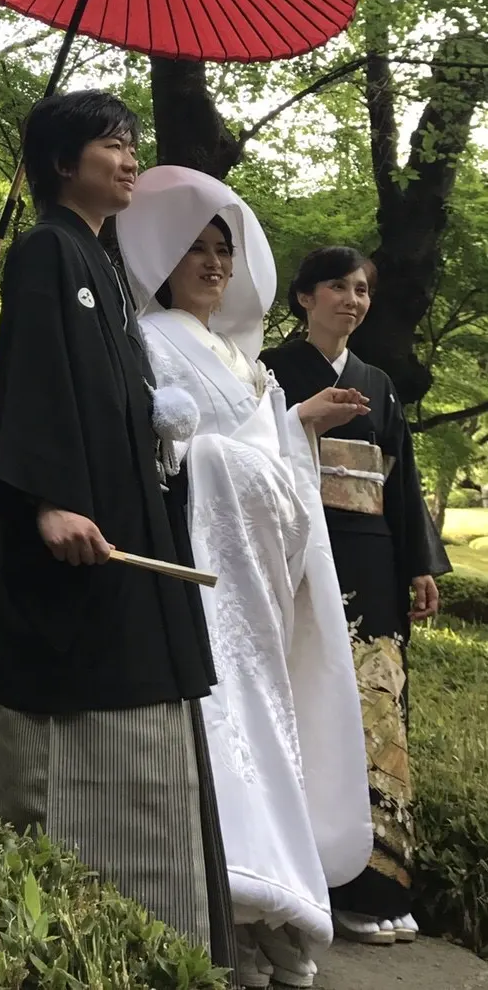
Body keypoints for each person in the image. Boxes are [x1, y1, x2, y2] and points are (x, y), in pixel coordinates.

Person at [0, 92, 236, 973]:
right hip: (75, 530)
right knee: (81, 692)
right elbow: (34, 380)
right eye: (111, 144)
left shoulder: (103, 263)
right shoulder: (48, 249)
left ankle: (155, 936)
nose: (129, 158)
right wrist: (42, 498)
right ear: (59, 161)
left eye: (131, 142)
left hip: (124, 516)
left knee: (143, 677)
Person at [118, 166, 373, 990]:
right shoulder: (148, 340)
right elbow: (174, 457)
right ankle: (234, 905)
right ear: (162, 257)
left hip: (260, 582)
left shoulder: (241, 357)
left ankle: (275, 907)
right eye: (194, 247)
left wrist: (292, 429)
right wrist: (225, 454)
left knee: (273, 723)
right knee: (223, 730)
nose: (214, 262)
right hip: (202, 576)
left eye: (223, 248)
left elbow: (275, 460)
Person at [262, 247, 450, 949]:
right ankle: (309, 874)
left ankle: (379, 882)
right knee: (306, 703)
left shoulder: (379, 383)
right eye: (338, 286)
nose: (354, 298)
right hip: (301, 556)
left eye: (363, 288)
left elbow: (398, 484)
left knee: (377, 713)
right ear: (304, 296)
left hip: (372, 559)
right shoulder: (271, 372)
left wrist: (420, 564)